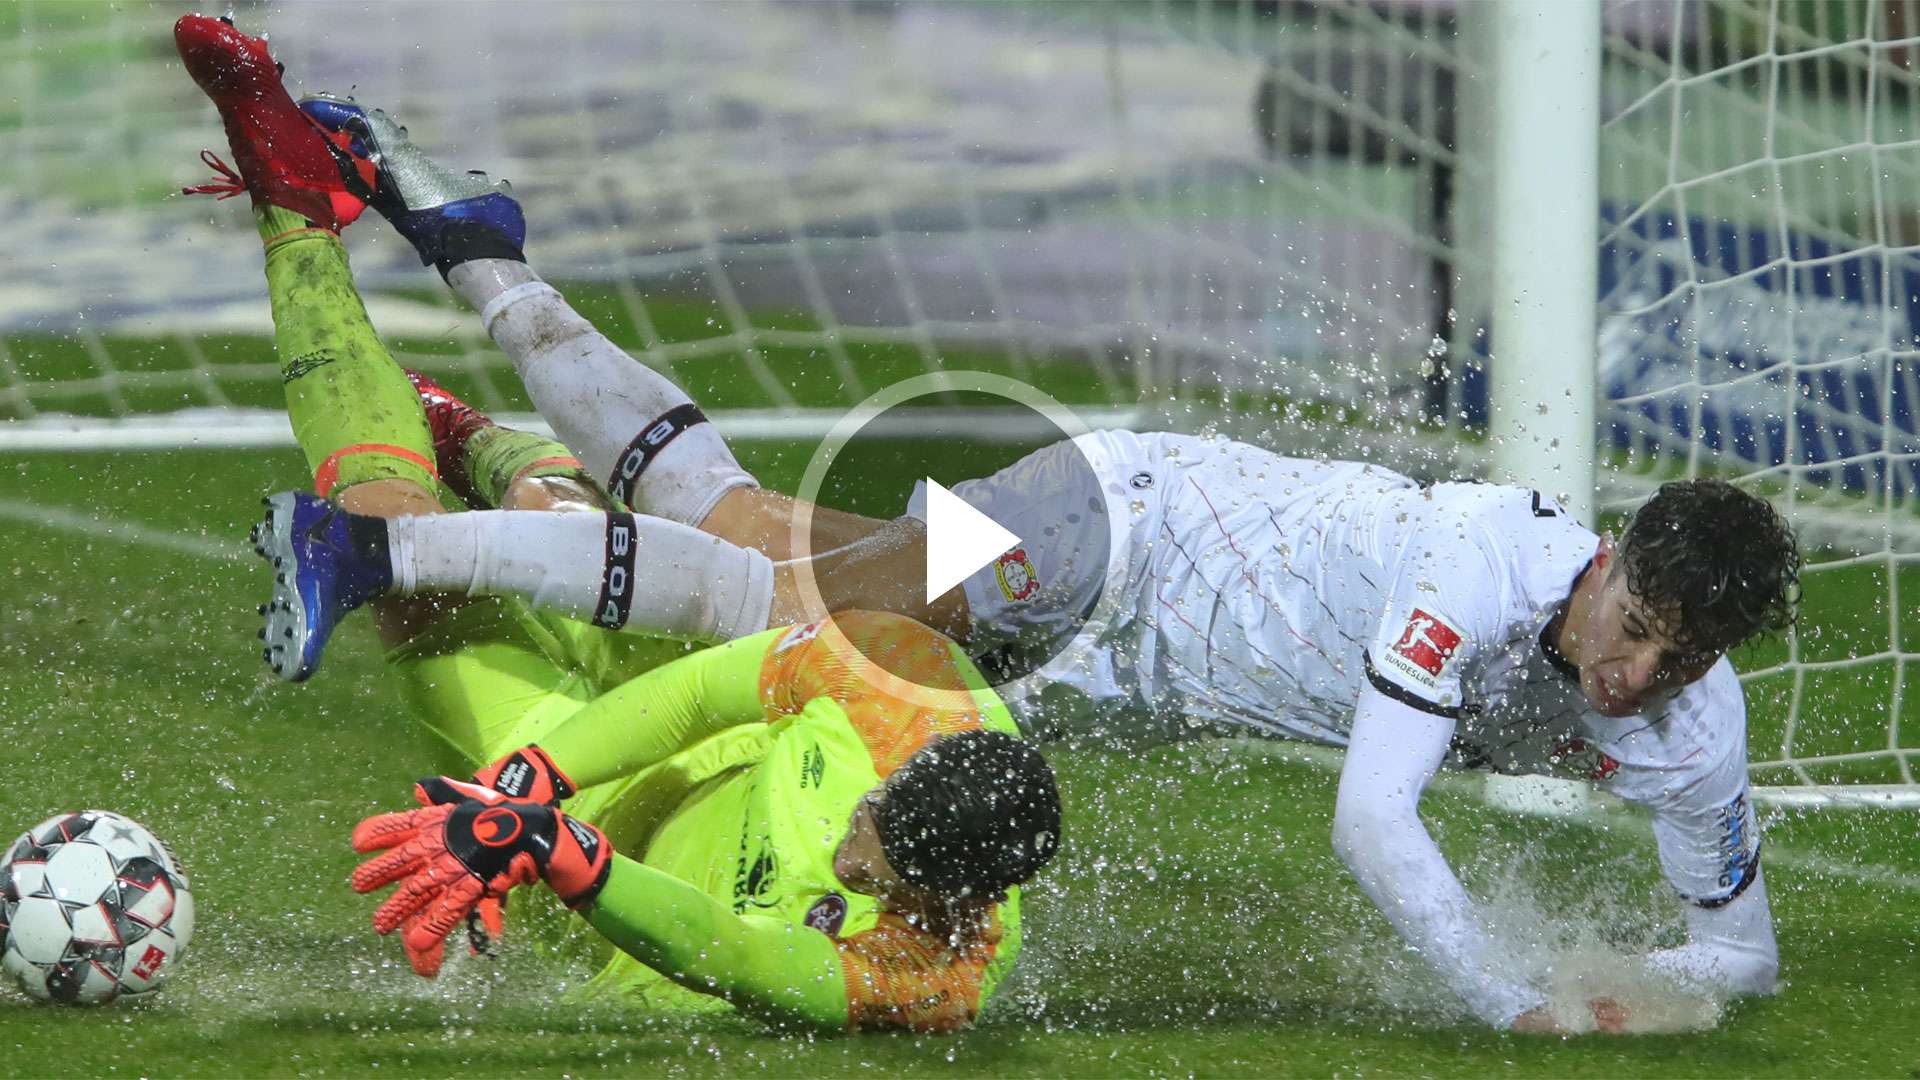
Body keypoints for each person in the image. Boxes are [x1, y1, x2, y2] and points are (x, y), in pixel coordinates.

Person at [221, 20, 1800, 1033]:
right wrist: (1513, 1001)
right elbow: (1375, 822)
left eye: (1675, 659)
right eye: (1633, 627)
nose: (1633, 675)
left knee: (744, 524)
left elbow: (1741, 956)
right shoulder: (1479, 567)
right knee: (792, 605)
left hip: (1118, 670)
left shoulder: (1690, 729)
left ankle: (480, 260)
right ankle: (377, 550)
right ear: (1603, 564)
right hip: (1119, 530)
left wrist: (1657, 998)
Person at [174, 14, 1060, 1033]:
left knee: (402, 549)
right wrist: (534, 780)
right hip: (642, 722)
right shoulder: (919, 703)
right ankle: (490, 440)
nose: (854, 843)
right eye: (873, 807)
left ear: (953, 900)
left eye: (876, 856)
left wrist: (556, 844)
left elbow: (729, 952)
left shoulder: (926, 982)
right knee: (665, 535)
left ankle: (292, 207)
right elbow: (722, 683)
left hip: (590, 849)